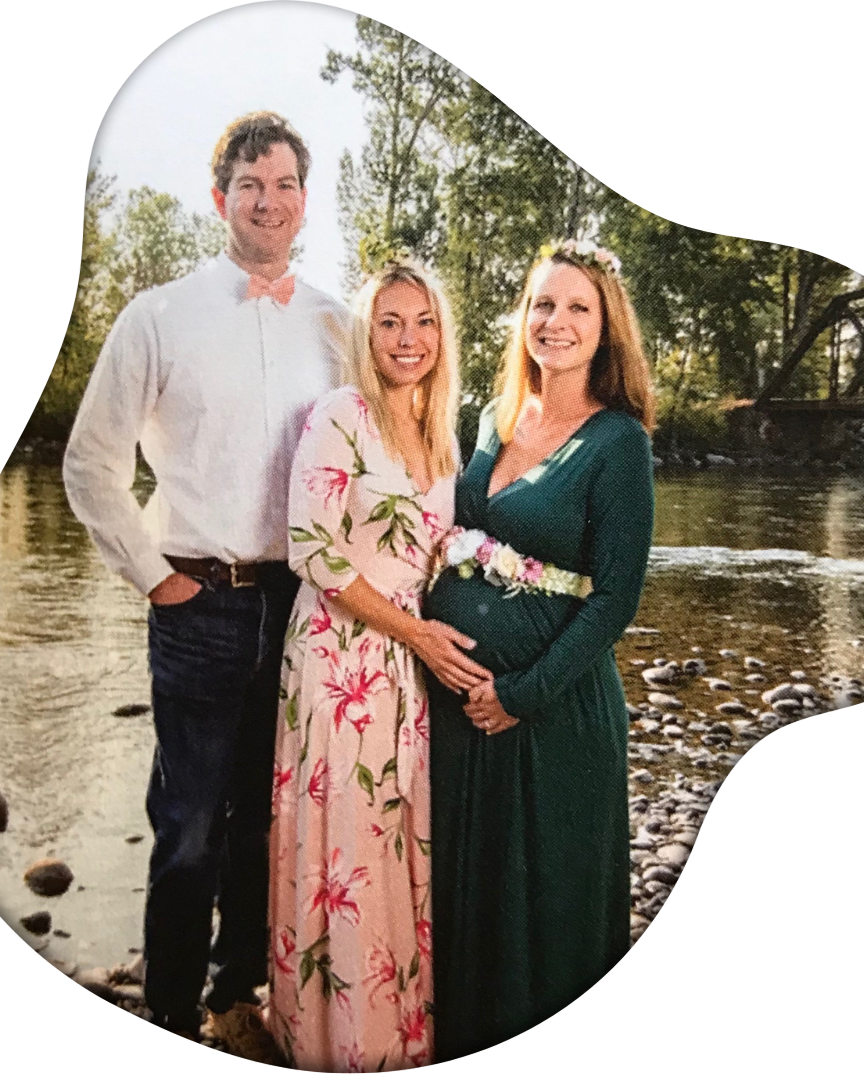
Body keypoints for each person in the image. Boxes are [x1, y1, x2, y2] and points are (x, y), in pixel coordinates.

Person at [63, 112, 351, 1040]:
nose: (267, 202)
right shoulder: (159, 315)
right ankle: (174, 1007)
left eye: (284, 185)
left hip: (304, 605)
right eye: (250, 184)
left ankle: (237, 995)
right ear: (219, 195)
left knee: (268, 821)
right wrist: (156, 579)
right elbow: (90, 464)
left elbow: (375, 458)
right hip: (198, 601)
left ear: (305, 201)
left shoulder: (338, 324)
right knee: (189, 826)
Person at [422, 240, 657, 1062]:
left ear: (605, 329)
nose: (556, 322)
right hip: (459, 712)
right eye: (543, 305)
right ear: (523, 317)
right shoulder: (487, 420)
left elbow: (617, 599)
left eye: (577, 309)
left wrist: (520, 692)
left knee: (544, 900)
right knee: (471, 894)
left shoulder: (618, 444)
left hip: (548, 716)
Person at [264, 259, 492, 1071]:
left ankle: (396, 1037)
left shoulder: (441, 431)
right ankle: (332, 1044)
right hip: (340, 662)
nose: (408, 339)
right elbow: (312, 549)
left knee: (396, 840)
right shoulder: (340, 415)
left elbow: (444, 556)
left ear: (442, 335)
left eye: (423, 322)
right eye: (390, 322)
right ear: (366, 333)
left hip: (404, 668)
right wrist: (418, 634)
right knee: (346, 849)